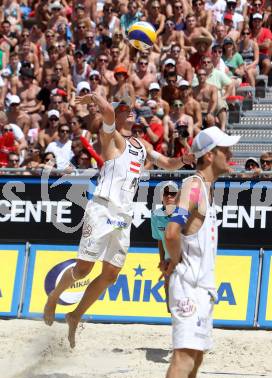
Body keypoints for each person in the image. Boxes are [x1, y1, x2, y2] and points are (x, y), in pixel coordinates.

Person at [43, 92, 194, 348]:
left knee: (111, 275)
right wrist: (96, 96)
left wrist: (183, 160)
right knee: (83, 269)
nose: (130, 109)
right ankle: (54, 298)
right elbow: (108, 112)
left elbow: (168, 163)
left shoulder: (141, 145)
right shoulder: (111, 137)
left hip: (123, 215)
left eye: (130, 107)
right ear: (118, 113)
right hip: (102, 209)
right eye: (125, 107)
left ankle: (74, 315)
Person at [164, 126, 240, 378]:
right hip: (190, 286)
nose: (230, 153)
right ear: (209, 155)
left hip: (200, 287)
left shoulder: (204, 189)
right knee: (183, 359)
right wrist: (176, 262)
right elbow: (172, 233)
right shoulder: (194, 186)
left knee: (194, 360)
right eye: (225, 149)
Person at [151, 181, 179, 312]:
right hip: (168, 262)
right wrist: (162, 261)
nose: (169, 196)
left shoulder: (183, 215)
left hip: (183, 262)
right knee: (170, 306)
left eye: (172, 193)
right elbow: (159, 240)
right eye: (166, 193)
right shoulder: (156, 215)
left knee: (184, 304)